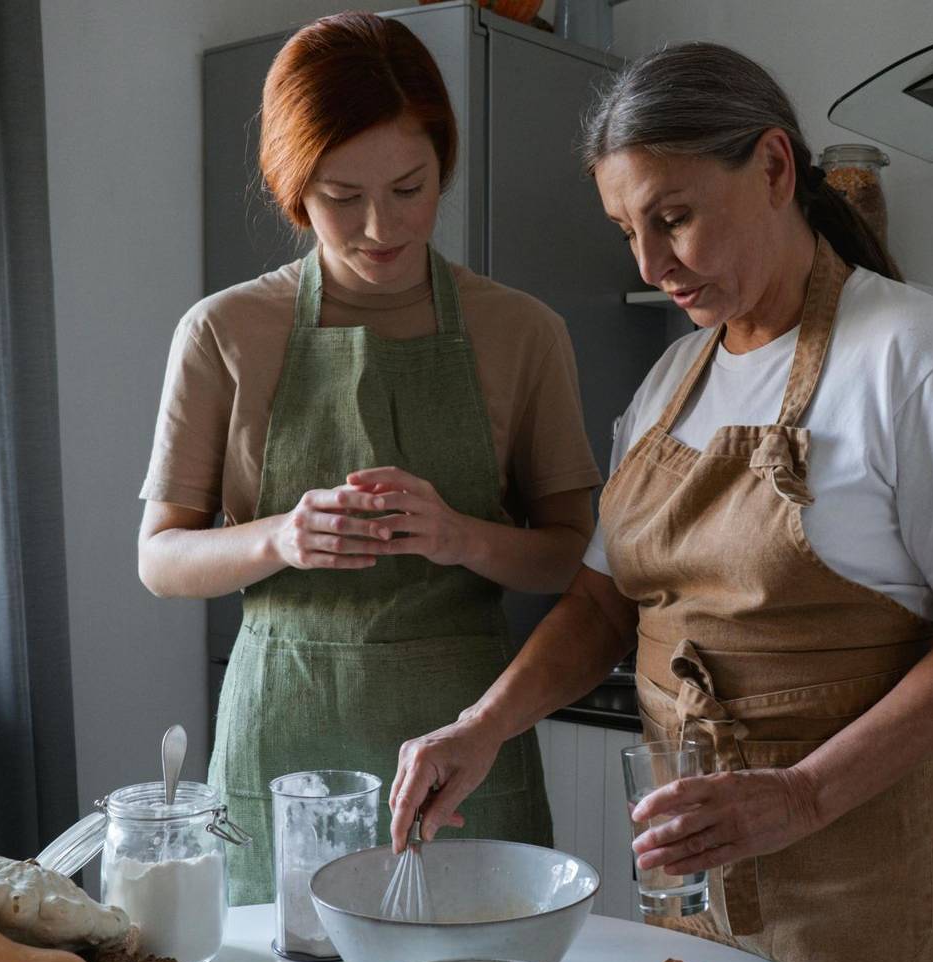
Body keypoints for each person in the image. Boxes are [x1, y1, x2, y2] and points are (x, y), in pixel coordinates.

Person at [387, 42, 933, 962]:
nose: (651, 264)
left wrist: (798, 796)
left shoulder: (911, 349)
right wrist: (486, 723)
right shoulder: (670, 382)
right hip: (695, 885)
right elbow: (603, 604)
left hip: (860, 886)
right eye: (628, 230)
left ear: (776, 169)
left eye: (675, 214)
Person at [137, 12, 602, 905]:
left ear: (444, 168)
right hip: (281, 745)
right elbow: (160, 557)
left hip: (465, 748)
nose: (381, 226)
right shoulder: (224, 332)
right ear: (292, 186)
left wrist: (460, 535)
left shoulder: (522, 331)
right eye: (341, 197)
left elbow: (569, 555)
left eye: (410, 187)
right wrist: (282, 537)